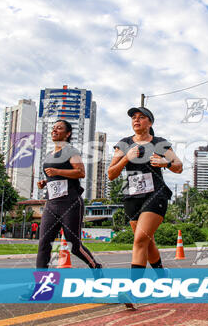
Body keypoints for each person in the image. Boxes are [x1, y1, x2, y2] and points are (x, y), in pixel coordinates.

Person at [108, 107, 183, 272]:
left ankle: (134, 290)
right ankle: (162, 275)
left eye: (141, 117)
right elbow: (111, 174)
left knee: (140, 239)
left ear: (149, 123)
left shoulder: (159, 143)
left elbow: (179, 167)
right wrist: (126, 158)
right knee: (146, 241)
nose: (136, 120)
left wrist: (166, 163)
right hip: (132, 196)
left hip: (155, 194)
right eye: (134, 117)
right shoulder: (124, 144)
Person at [35, 120, 101, 269]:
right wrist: (45, 182)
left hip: (70, 203)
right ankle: (41, 287)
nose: (54, 130)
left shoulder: (71, 151)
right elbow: (55, 177)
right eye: (53, 128)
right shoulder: (48, 154)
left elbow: (80, 172)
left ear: (68, 134)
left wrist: (57, 171)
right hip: (51, 203)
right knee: (44, 244)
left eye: (59, 128)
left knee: (74, 245)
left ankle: (95, 267)